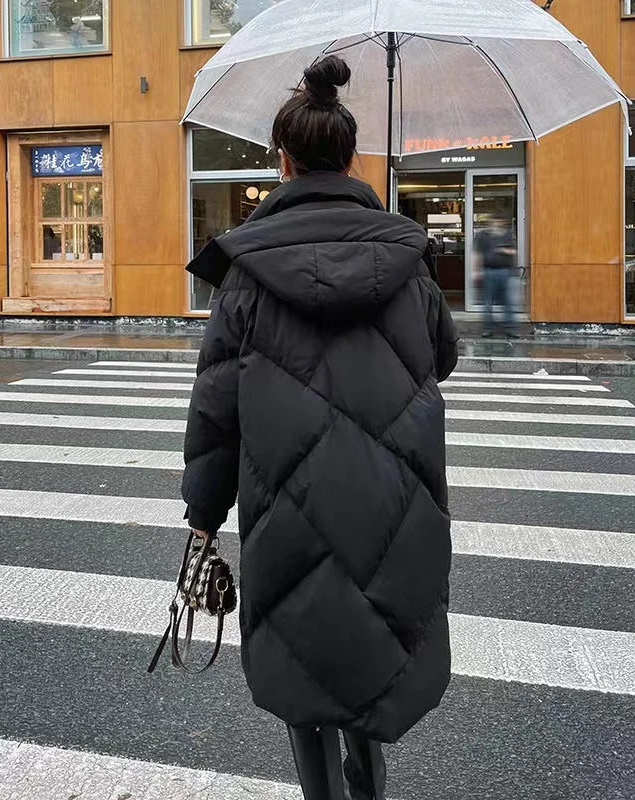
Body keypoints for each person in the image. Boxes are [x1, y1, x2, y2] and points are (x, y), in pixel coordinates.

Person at [181, 55, 458, 800]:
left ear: (283, 160)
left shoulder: (246, 274)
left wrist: (204, 519)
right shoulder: (406, 259)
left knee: (304, 665)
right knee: (377, 655)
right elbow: (444, 357)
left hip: (289, 506)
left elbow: (216, 410)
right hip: (391, 500)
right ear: (350, 157)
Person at [474, 213, 518, 338]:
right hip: (489, 271)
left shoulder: (507, 235)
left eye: (500, 221)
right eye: (495, 221)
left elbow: (514, 251)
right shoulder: (483, 235)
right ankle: (488, 329)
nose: (497, 223)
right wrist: (476, 271)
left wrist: (504, 250)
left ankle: (510, 329)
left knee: (507, 302)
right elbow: (478, 254)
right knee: (488, 302)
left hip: (505, 271)